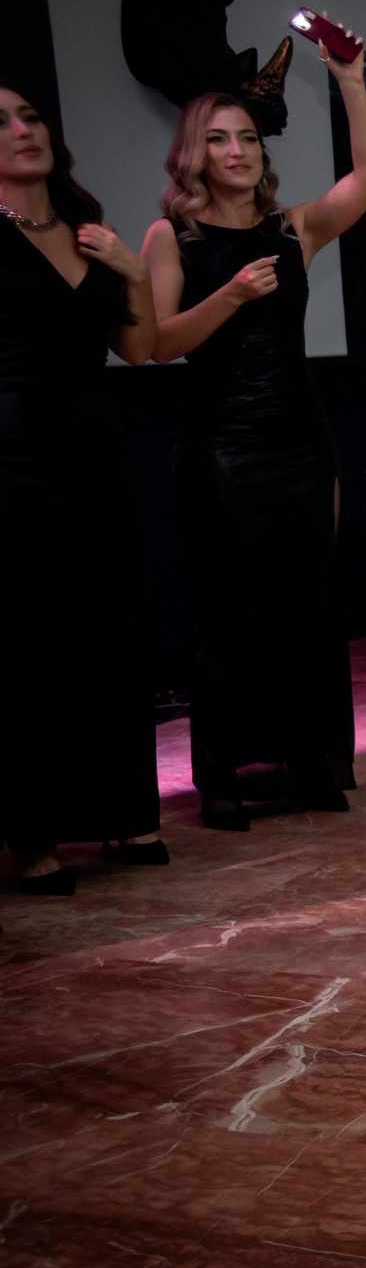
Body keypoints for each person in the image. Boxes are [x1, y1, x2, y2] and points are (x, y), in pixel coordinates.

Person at [142, 32, 366, 830]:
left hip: (298, 436)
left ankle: (311, 761)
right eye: (218, 138)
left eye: (247, 136)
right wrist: (232, 298)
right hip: (218, 443)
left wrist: (348, 80)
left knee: (310, 603)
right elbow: (157, 343)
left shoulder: (293, 228)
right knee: (230, 608)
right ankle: (223, 778)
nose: (236, 149)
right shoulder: (171, 237)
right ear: (194, 153)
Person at [0, 80, 165, 893]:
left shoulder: (85, 223)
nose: (21, 129)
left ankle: (125, 809)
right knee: (30, 650)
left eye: (28, 115)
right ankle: (31, 834)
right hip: (13, 459)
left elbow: (136, 351)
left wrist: (134, 273)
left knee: (114, 632)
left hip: (99, 452)